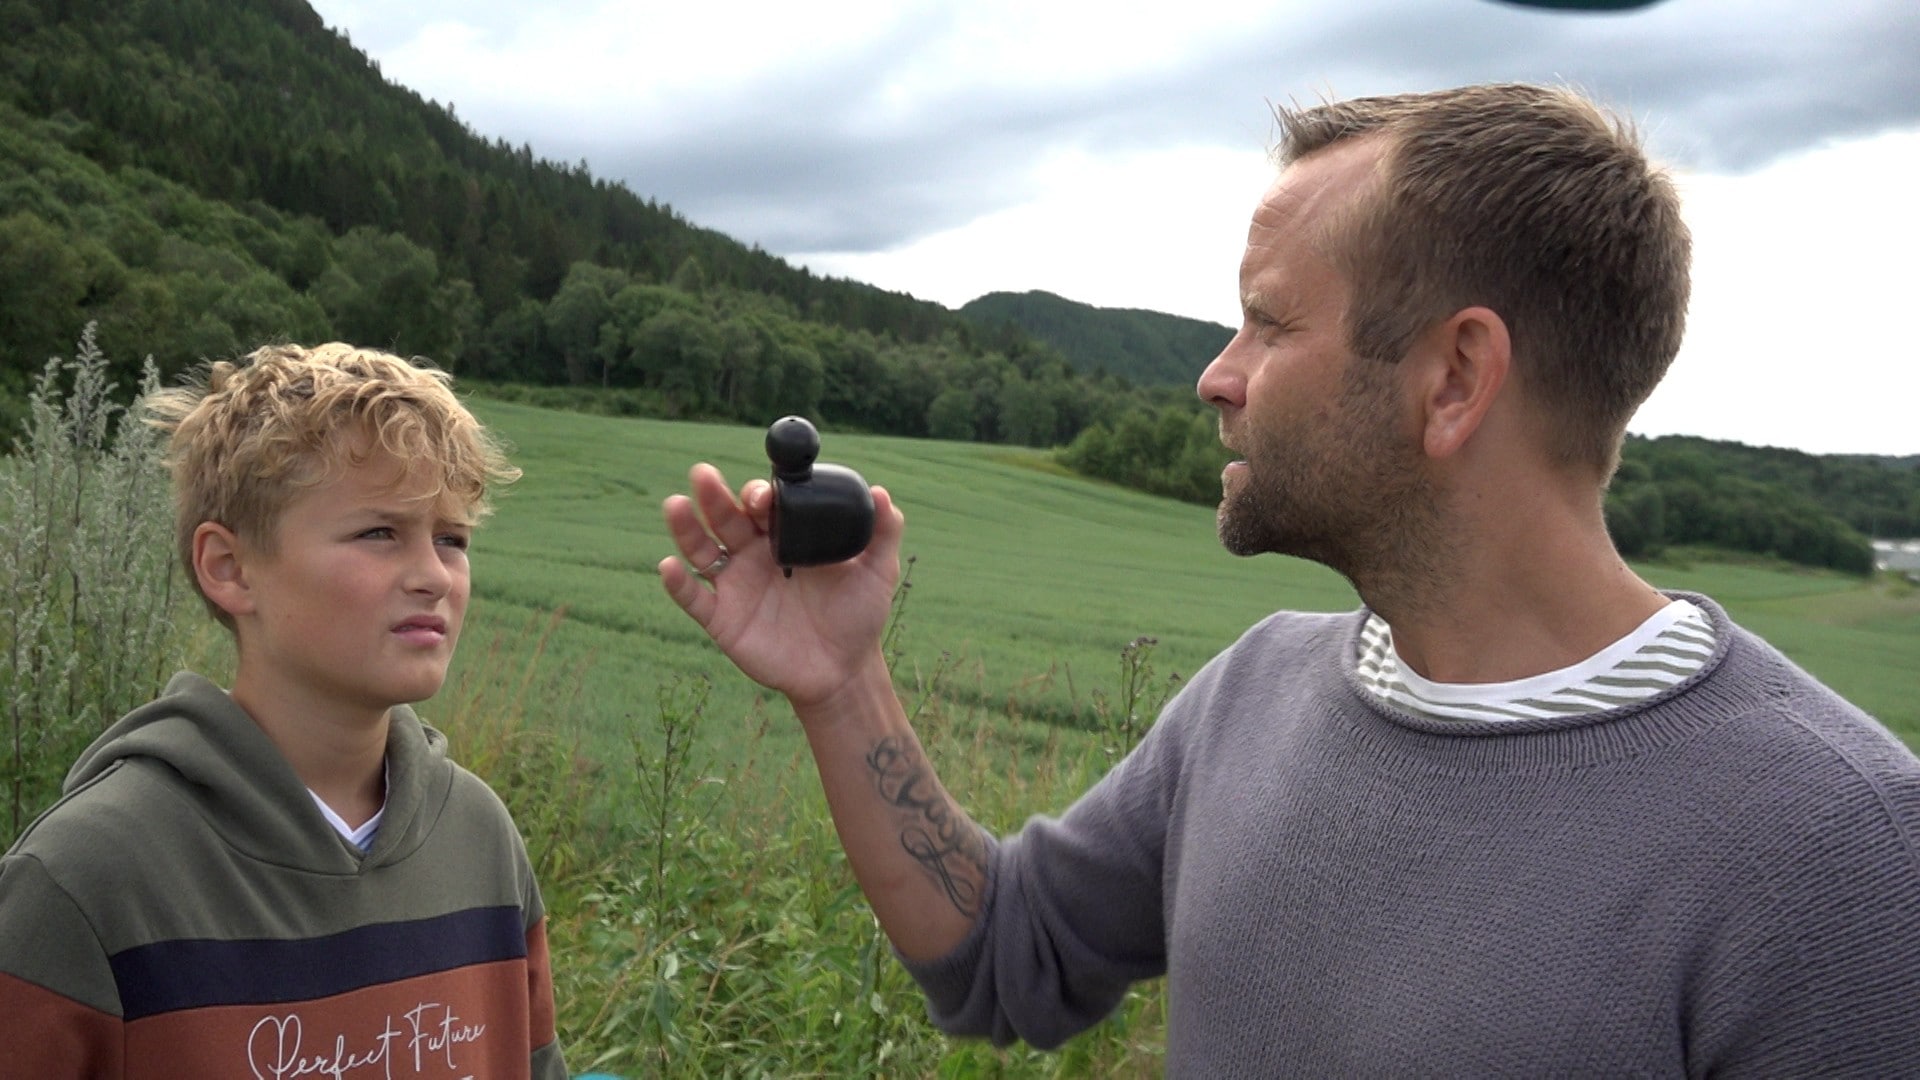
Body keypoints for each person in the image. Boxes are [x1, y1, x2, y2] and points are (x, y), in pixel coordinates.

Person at [660, 82, 1920, 1075]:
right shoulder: (1249, 698)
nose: (1217, 374)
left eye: (1269, 322)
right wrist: (842, 686)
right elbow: (1006, 954)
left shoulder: (1837, 855)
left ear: (1455, 379)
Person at [0, 344, 567, 1077]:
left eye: (452, 540)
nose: (433, 576)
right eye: (379, 533)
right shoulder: (85, 878)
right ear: (229, 568)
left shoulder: (479, 840)